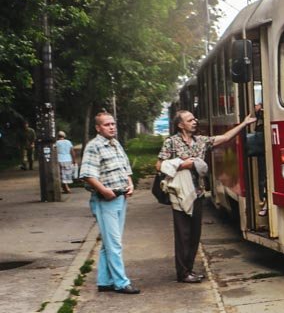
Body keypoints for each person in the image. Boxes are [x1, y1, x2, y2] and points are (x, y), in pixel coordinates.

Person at [157, 107, 257, 283]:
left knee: (195, 234)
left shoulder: (201, 141)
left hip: (198, 192)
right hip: (181, 194)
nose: (194, 121)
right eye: (190, 120)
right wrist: (182, 165)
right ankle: (182, 272)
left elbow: (225, 138)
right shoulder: (171, 142)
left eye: (194, 119)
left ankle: (189, 269)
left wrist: (244, 123)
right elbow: (159, 165)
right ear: (180, 125)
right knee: (183, 234)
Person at [79, 112, 138, 294]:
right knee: (114, 244)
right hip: (106, 201)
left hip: (121, 197)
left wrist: (130, 183)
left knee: (109, 242)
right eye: (107, 124)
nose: (112, 127)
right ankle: (121, 282)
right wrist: (104, 191)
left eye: (113, 124)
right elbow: (87, 174)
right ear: (98, 128)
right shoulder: (94, 146)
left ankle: (104, 281)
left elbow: (125, 167)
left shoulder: (115, 143)